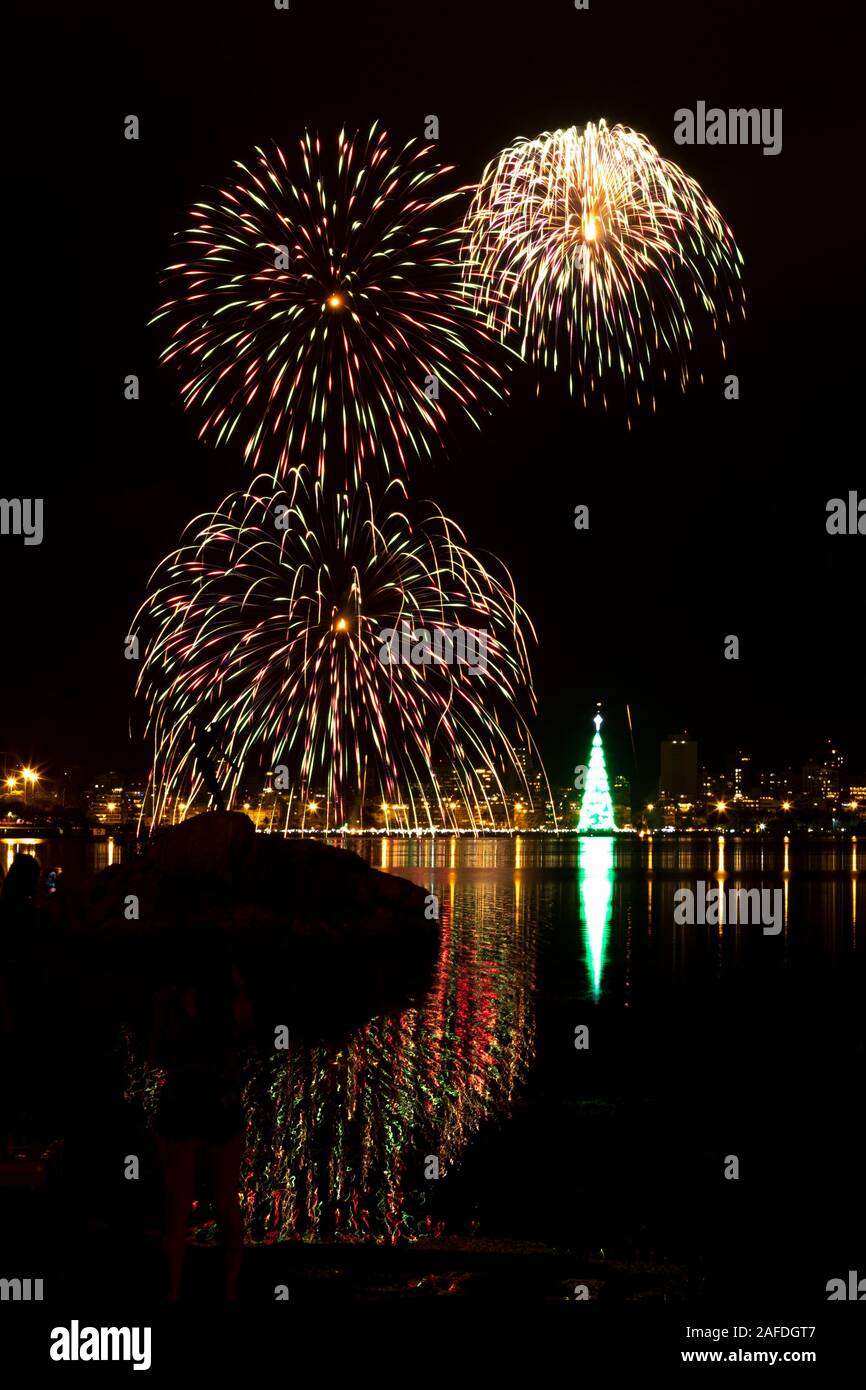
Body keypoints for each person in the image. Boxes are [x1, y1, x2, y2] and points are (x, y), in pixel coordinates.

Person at [148, 927, 253, 1300]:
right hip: (222, 1101)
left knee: (176, 1203)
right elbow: (245, 1036)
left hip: (183, 1099)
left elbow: (157, 1051)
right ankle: (229, 1288)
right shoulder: (233, 999)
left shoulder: (173, 999)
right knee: (227, 1200)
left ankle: (172, 1290)